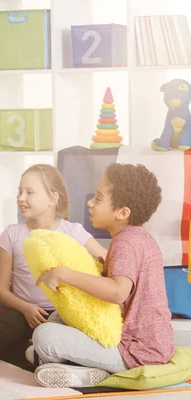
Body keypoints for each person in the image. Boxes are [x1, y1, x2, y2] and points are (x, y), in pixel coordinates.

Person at [0, 164, 107, 376]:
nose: (21, 198)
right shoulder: (13, 234)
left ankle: (50, 358)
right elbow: (0, 290)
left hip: (64, 315)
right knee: (6, 326)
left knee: (66, 333)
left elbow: (107, 260)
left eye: (30, 192)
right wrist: (26, 309)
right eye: (19, 192)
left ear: (52, 199)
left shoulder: (73, 232)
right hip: (24, 312)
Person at [33, 163, 174, 388]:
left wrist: (64, 273)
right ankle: (87, 369)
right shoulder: (139, 238)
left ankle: (97, 372)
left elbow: (118, 292)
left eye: (98, 199)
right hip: (152, 345)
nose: (90, 202)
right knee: (56, 319)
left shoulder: (125, 243)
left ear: (122, 212)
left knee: (44, 336)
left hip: (134, 352)